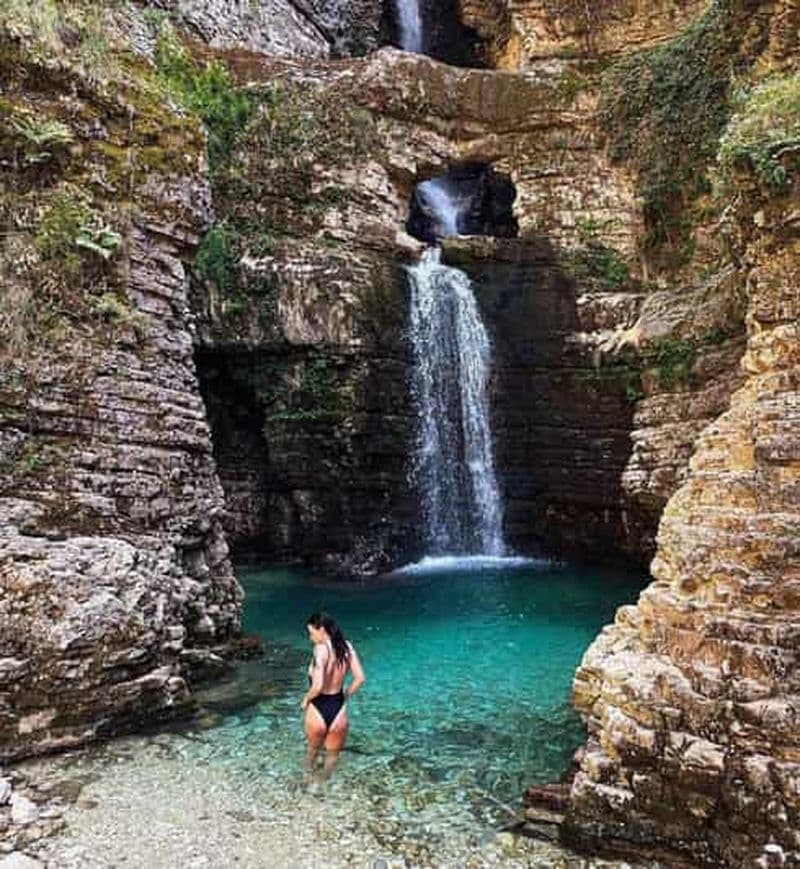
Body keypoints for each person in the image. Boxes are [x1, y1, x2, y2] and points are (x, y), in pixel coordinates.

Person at [300, 612, 365, 773]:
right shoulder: (347, 646)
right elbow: (360, 679)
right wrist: (345, 695)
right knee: (333, 756)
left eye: (311, 633)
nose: (310, 638)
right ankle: (322, 786)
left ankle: (306, 786)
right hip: (338, 709)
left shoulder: (320, 649)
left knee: (312, 752)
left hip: (318, 707)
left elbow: (318, 686)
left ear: (321, 629)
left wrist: (305, 699)